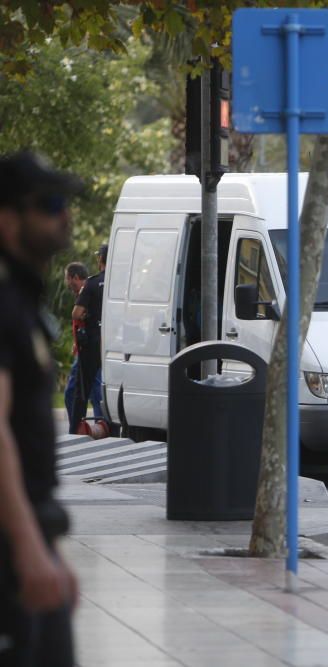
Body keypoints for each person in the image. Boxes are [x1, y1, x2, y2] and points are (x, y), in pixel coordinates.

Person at [0, 150, 81, 666]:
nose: (64, 216)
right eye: (50, 204)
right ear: (7, 218)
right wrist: (28, 547)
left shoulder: (20, 296)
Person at [62, 262, 101, 433]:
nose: (67, 283)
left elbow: (78, 315)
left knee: (74, 391)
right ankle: (99, 425)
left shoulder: (89, 289)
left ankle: (78, 427)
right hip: (88, 346)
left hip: (88, 348)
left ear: (75, 277)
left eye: (67, 279)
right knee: (94, 388)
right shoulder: (91, 288)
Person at [71, 244, 105, 433]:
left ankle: (75, 428)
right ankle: (110, 425)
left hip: (92, 341)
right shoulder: (119, 281)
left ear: (100, 259)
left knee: (82, 388)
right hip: (113, 342)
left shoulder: (92, 283)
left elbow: (76, 313)